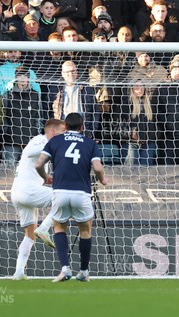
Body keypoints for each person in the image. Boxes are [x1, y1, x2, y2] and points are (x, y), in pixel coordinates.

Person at [35, 112, 109, 282]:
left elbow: (38, 164)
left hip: (60, 191)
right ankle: (83, 271)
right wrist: (102, 179)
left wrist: (45, 178)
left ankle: (65, 269)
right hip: (81, 192)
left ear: (65, 127)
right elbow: (97, 168)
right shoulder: (90, 143)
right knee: (85, 230)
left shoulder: (55, 141)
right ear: (82, 127)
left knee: (60, 228)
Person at [10, 118, 66, 280]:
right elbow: (29, 153)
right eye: (63, 131)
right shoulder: (40, 140)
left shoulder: (47, 146)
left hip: (20, 192)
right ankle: (45, 228)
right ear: (52, 131)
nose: (65, 134)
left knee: (29, 234)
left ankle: (19, 272)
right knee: (64, 198)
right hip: (26, 190)